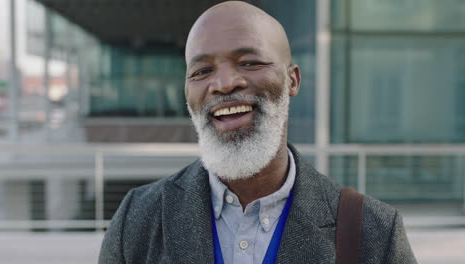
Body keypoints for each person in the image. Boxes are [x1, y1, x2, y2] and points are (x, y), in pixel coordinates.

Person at [99, 1, 417, 263]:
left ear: (292, 80)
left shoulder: (372, 232)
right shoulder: (136, 221)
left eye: (249, 62)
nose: (224, 83)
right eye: (202, 71)